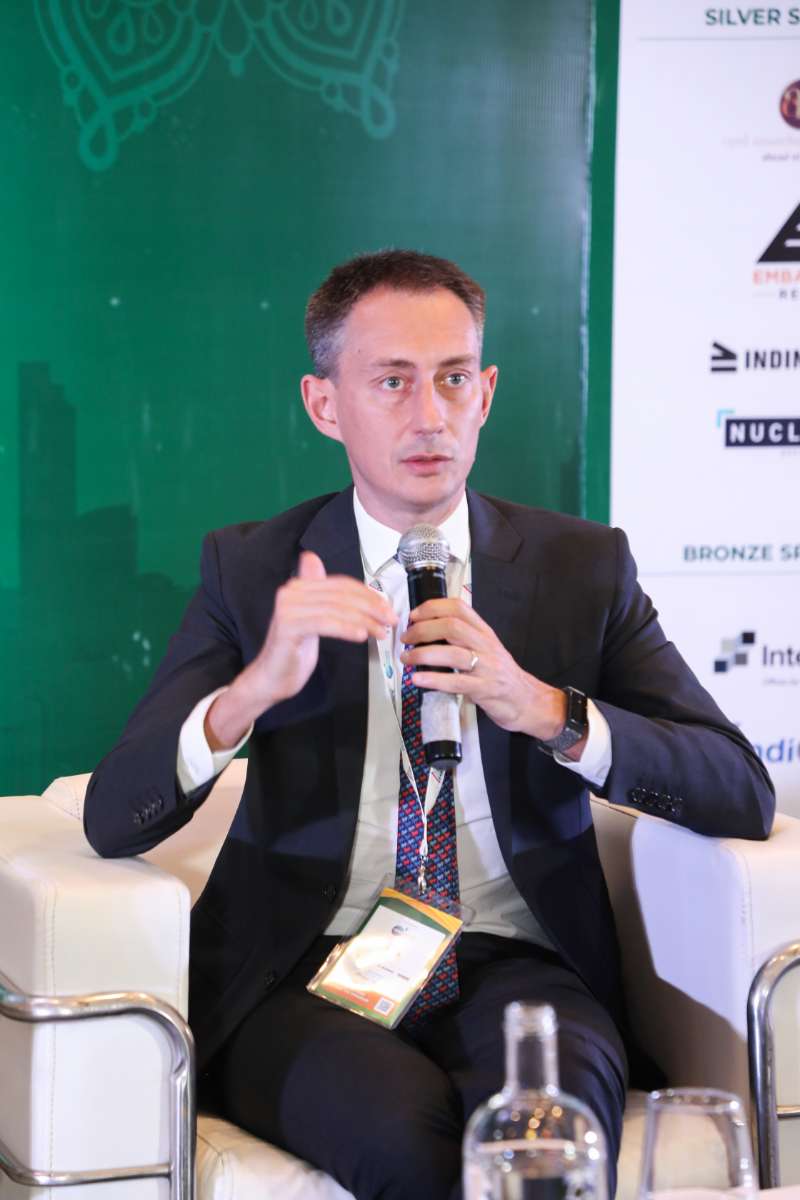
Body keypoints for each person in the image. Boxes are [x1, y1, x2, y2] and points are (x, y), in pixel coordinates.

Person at [84, 250, 774, 1200]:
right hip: (303, 970)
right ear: (325, 404)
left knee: (541, 1144)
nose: (429, 416)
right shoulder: (255, 571)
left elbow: (740, 789)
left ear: (485, 394)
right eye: (392, 382)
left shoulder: (582, 569)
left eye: (453, 380)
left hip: (520, 961)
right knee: (407, 1141)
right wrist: (253, 691)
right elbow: (113, 816)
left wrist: (547, 711)